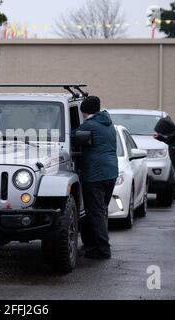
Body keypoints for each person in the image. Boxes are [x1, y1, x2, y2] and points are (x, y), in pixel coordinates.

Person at [74, 96, 118, 259]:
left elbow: (72, 137)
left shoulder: (89, 125)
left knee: (95, 212)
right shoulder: (108, 124)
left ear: (85, 111)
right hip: (111, 172)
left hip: (95, 174)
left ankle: (102, 249)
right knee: (101, 210)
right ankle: (94, 243)